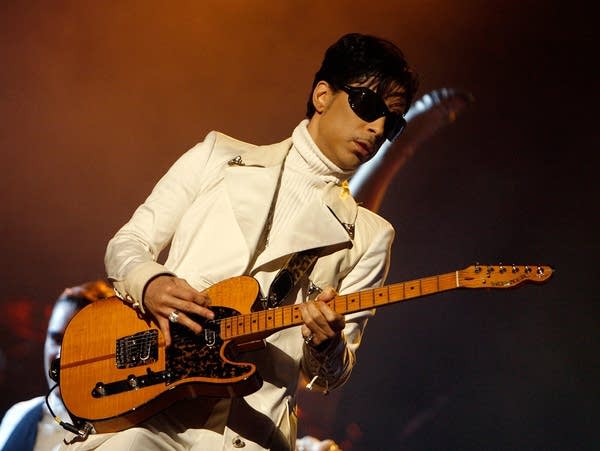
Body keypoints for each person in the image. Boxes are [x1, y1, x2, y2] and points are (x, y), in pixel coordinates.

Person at [62, 32, 419, 450]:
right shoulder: (217, 155)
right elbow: (128, 243)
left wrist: (326, 342)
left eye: (390, 122)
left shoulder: (371, 236)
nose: (376, 127)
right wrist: (150, 283)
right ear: (322, 94)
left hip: (247, 433)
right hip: (151, 406)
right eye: (368, 105)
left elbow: (332, 375)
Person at [0, 280, 113, 451]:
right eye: (56, 339)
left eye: (75, 344)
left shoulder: (123, 433)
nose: (61, 355)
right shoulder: (18, 415)